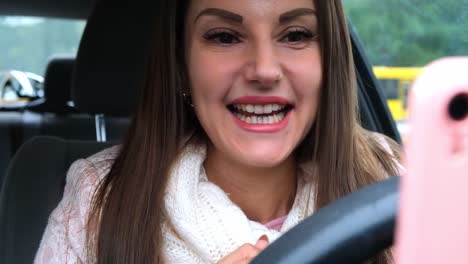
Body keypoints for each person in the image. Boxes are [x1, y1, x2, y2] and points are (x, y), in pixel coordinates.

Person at [34, 0, 401, 263]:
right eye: (225, 36)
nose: (264, 69)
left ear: (329, 59)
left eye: (295, 34)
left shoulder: (391, 182)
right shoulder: (98, 201)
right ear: (182, 66)